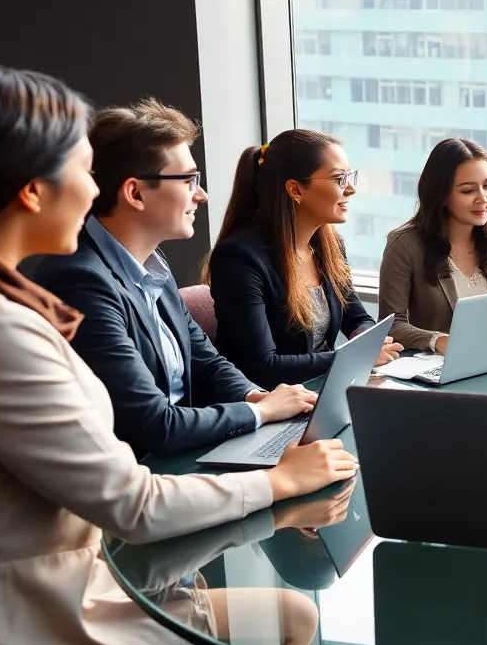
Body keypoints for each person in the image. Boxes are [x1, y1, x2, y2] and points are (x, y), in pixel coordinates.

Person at [0, 61, 357, 645]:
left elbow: (197, 352)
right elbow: (133, 504)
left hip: (71, 576)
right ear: (31, 191)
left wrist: (259, 400)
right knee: (286, 623)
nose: (93, 190)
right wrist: (279, 481)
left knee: (287, 619)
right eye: (80, 170)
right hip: (30, 622)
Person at [34, 100, 317, 457]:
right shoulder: (80, 282)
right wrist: (260, 412)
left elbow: (205, 360)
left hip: (187, 447)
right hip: (141, 473)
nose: (202, 194)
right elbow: (153, 426)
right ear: (135, 193)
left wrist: (255, 395)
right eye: (188, 180)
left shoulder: (152, 262)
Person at [205, 129, 401, 389]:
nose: (351, 189)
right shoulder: (238, 258)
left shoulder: (329, 246)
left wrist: (364, 336)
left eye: (349, 176)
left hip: (323, 389)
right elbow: (262, 366)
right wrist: (349, 358)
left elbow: (356, 316)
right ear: (296, 190)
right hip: (270, 401)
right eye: (339, 179)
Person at [377, 137, 487, 353]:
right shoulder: (404, 244)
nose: (483, 198)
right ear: (441, 195)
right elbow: (391, 326)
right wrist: (439, 341)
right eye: (468, 191)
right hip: (431, 370)